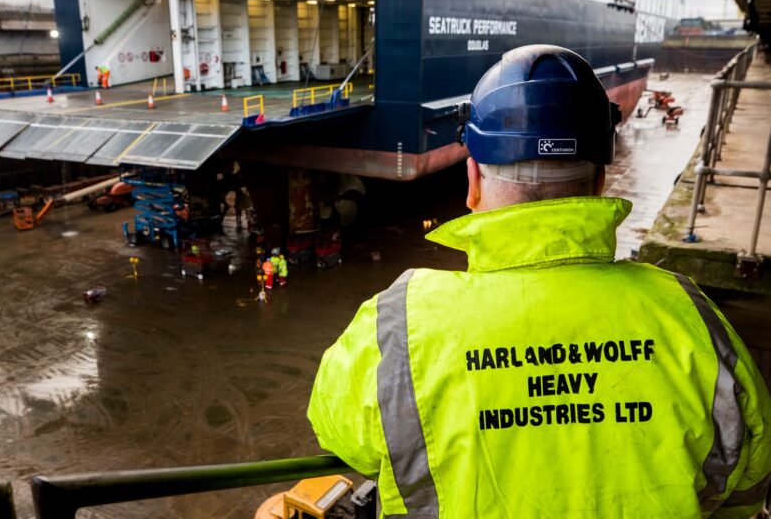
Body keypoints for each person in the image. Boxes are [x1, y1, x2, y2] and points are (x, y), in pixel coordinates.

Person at [307, 45, 771, 519]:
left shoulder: (397, 324)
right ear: (599, 183)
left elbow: (340, 434)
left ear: (472, 181)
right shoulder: (690, 316)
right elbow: (748, 476)